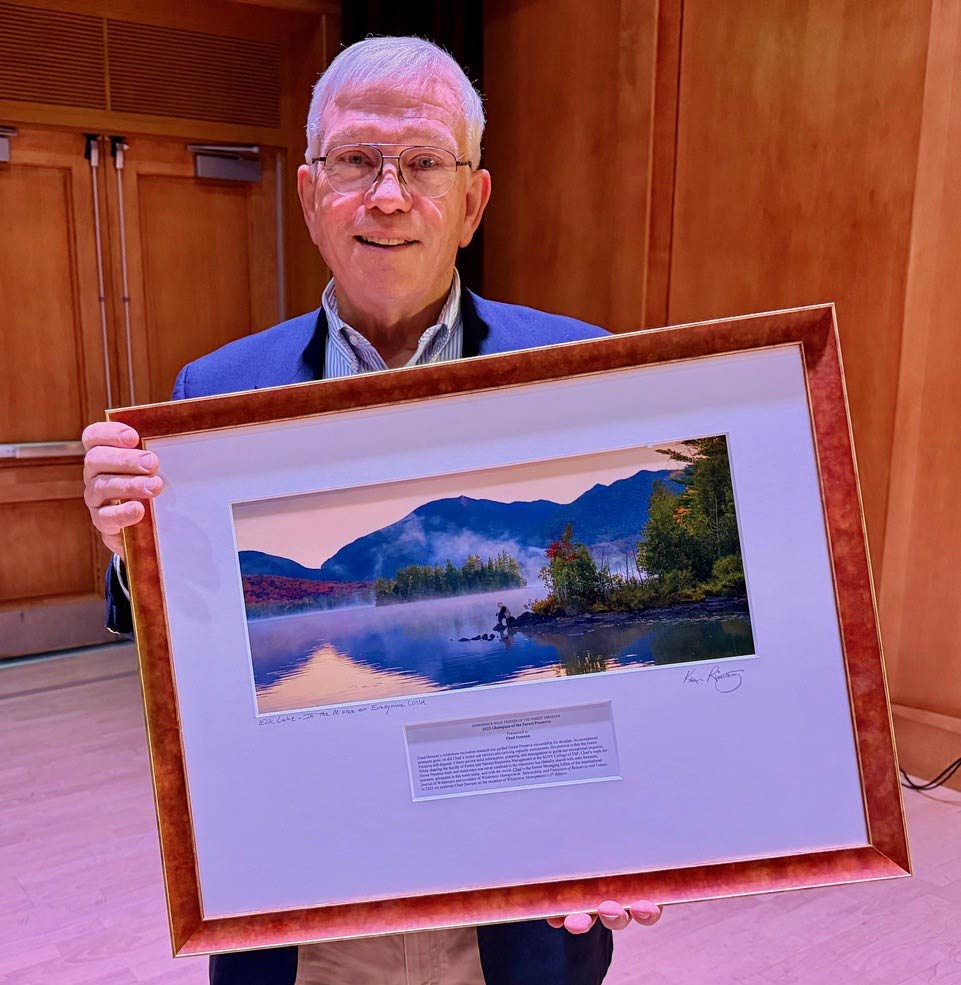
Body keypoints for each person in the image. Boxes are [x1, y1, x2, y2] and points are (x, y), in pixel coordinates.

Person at [82, 36, 662, 985]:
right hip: (303, 904)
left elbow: (639, 685)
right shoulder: (215, 392)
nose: (387, 195)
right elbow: (184, 643)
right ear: (310, 193)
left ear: (471, 202)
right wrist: (128, 545)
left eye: (424, 162)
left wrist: (662, 821)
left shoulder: (582, 373)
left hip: (521, 901)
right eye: (355, 161)